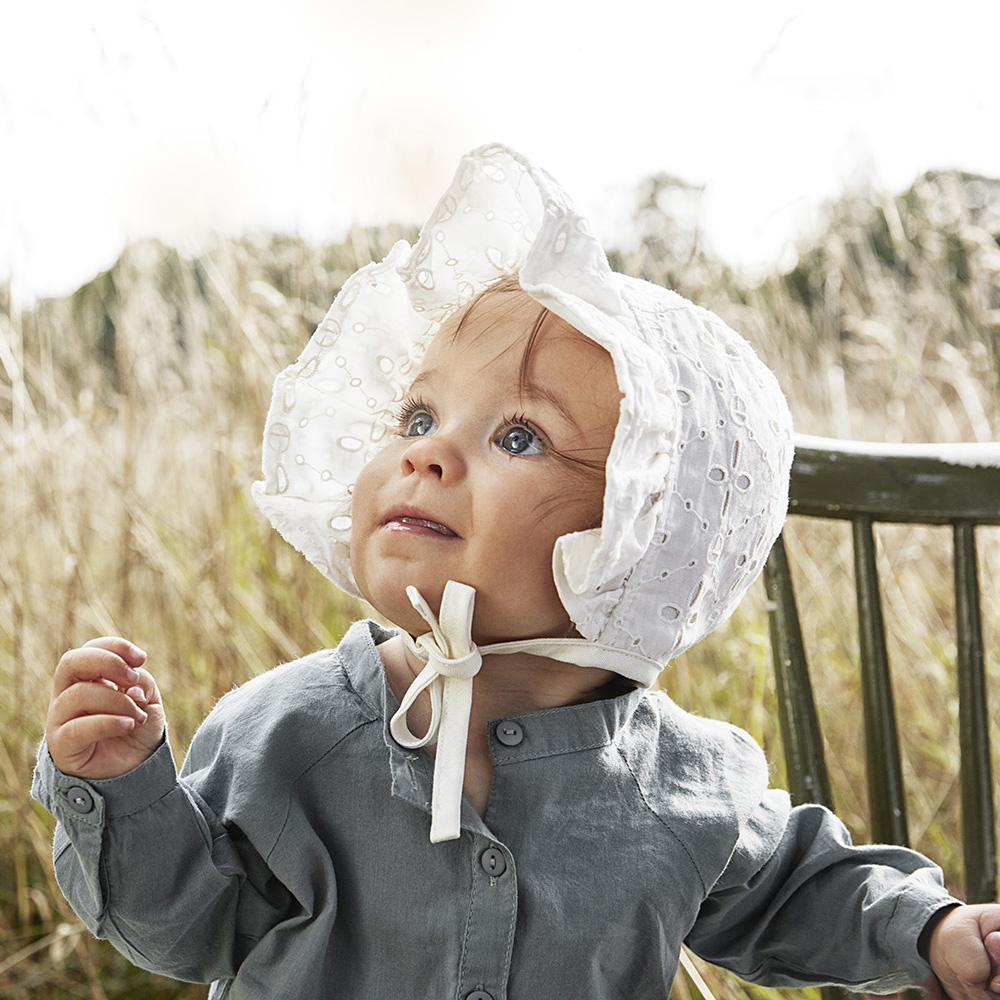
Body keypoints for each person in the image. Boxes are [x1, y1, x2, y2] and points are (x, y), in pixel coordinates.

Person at [32, 144, 1000, 999]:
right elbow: (185, 924)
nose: (426, 454)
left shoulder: (675, 783)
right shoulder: (294, 735)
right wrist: (124, 791)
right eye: (417, 417)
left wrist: (926, 927)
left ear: (638, 532)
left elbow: (798, 887)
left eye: (517, 433)